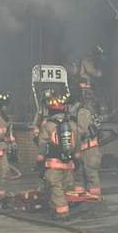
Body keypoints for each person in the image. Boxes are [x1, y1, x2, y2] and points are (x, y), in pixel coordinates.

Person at [38, 90, 78, 220]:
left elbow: (43, 144)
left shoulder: (48, 125)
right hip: (69, 163)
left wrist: (39, 160)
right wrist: (77, 158)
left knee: (56, 187)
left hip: (54, 163)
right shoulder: (72, 124)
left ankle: (62, 213)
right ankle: (59, 207)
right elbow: (77, 142)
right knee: (66, 187)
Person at [68, 82, 102, 201]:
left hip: (89, 149)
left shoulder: (84, 111)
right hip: (83, 148)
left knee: (90, 174)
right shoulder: (83, 109)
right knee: (78, 175)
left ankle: (94, 197)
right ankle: (80, 196)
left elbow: (80, 130)